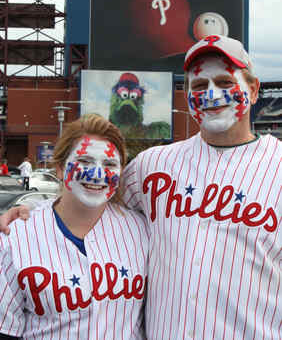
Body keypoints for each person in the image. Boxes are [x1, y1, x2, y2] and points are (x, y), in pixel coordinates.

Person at [1, 35, 281, 339]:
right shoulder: (153, 165)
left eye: (225, 83)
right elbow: (93, 196)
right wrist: (32, 211)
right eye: (199, 86)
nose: (212, 95)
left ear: (253, 90)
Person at [0, 114, 148, 339]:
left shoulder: (142, 231)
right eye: (85, 162)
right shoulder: (16, 235)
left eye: (109, 164)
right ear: (60, 168)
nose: (97, 174)